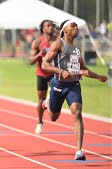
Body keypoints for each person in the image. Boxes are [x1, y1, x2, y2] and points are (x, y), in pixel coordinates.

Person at [41, 20, 107, 160]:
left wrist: (97, 76)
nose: (76, 28)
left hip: (73, 85)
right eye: (73, 26)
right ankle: (47, 103)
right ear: (65, 30)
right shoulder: (58, 44)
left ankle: (79, 151)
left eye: (77, 26)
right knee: (53, 117)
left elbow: (83, 69)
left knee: (77, 113)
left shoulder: (77, 49)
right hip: (58, 85)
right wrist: (60, 71)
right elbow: (45, 64)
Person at [28, 20, 56, 134]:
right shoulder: (38, 42)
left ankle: (49, 100)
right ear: (43, 29)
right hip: (41, 74)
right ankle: (39, 122)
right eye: (48, 26)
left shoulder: (57, 41)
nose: (51, 28)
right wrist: (40, 53)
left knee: (53, 96)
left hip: (53, 73)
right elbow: (30, 61)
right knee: (41, 100)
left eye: (52, 26)